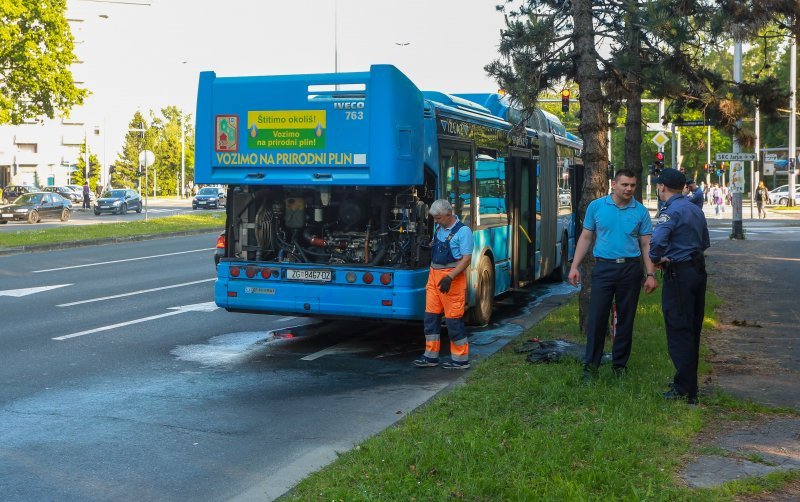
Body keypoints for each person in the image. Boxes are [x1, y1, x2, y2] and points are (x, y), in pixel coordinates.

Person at [568, 169, 658, 381]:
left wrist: (651, 274)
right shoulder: (597, 206)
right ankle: (590, 368)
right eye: (625, 185)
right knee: (597, 318)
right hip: (604, 269)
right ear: (614, 184)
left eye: (632, 185)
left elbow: (646, 244)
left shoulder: (640, 211)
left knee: (626, 320)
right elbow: (586, 237)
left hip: (630, 270)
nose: (629, 189)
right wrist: (574, 266)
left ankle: (619, 366)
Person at [649, 168, 710, 405]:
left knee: (678, 329)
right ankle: (688, 382)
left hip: (680, 274)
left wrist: (658, 260)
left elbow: (655, 244)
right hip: (697, 271)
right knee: (693, 327)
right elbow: (704, 242)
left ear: (662, 187)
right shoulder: (695, 208)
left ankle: (685, 390)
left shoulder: (670, 212)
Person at [414, 199, 474, 370]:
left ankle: (461, 360)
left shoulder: (464, 232)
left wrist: (451, 277)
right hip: (433, 277)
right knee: (431, 318)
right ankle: (430, 356)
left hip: (451, 281)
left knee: (453, 321)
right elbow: (436, 245)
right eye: (434, 218)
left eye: (438, 218)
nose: (436, 221)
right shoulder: (439, 228)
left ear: (449, 215)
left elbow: (466, 259)